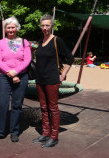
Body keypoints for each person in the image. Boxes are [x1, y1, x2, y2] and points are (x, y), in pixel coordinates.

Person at [33, 14, 74, 148]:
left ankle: (54, 136)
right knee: (43, 108)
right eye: (43, 25)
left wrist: (63, 74)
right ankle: (45, 133)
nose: (45, 28)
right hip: (40, 80)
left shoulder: (57, 40)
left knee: (53, 108)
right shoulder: (40, 41)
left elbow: (69, 58)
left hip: (52, 79)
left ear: (52, 26)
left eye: (47, 25)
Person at [0, 17, 31, 143]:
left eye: (13, 27)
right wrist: (10, 73)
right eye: (8, 27)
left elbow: (27, 60)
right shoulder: (0, 43)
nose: (11, 30)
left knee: (16, 105)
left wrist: (16, 72)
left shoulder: (25, 42)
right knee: (2, 105)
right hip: (4, 77)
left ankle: (14, 131)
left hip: (21, 76)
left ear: (17, 28)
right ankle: (0, 131)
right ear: (5, 29)